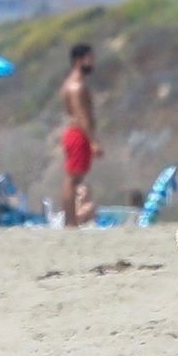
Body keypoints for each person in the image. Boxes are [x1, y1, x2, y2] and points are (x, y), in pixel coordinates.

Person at [59, 42, 101, 227]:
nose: (92, 63)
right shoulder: (76, 86)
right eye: (89, 59)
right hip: (78, 133)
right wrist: (93, 141)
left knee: (76, 177)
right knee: (73, 178)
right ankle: (70, 220)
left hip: (77, 132)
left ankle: (71, 220)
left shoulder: (73, 83)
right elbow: (81, 116)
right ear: (78, 60)